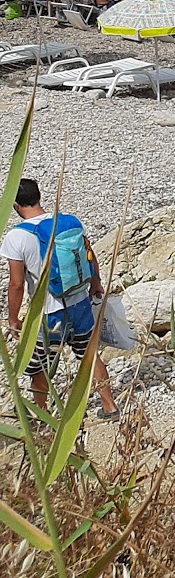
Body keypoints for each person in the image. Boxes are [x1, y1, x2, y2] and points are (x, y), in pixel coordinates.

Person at [3, 178, 118, 418]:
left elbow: (16, 284)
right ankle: (110, 406)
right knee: (88, 354)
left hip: (49, 312)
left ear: (15, 205)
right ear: (39, 196)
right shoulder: (69, 221)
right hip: (80, 304)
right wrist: (95, 282)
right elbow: (88, 253)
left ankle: (42, 416)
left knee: (39, 365)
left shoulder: (17, 237)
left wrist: (13, 318)